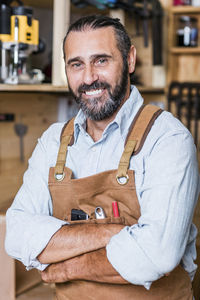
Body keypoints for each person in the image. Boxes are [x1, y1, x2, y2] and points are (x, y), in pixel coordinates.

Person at [5, 15, 199, 300]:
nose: (88, 78)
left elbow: (157, 255)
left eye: (101, 60)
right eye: (76, 64)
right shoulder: (53, 142)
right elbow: (17, 234)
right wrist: (110, 233)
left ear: (129, 60)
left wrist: (65, 268)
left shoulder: (167, 139)